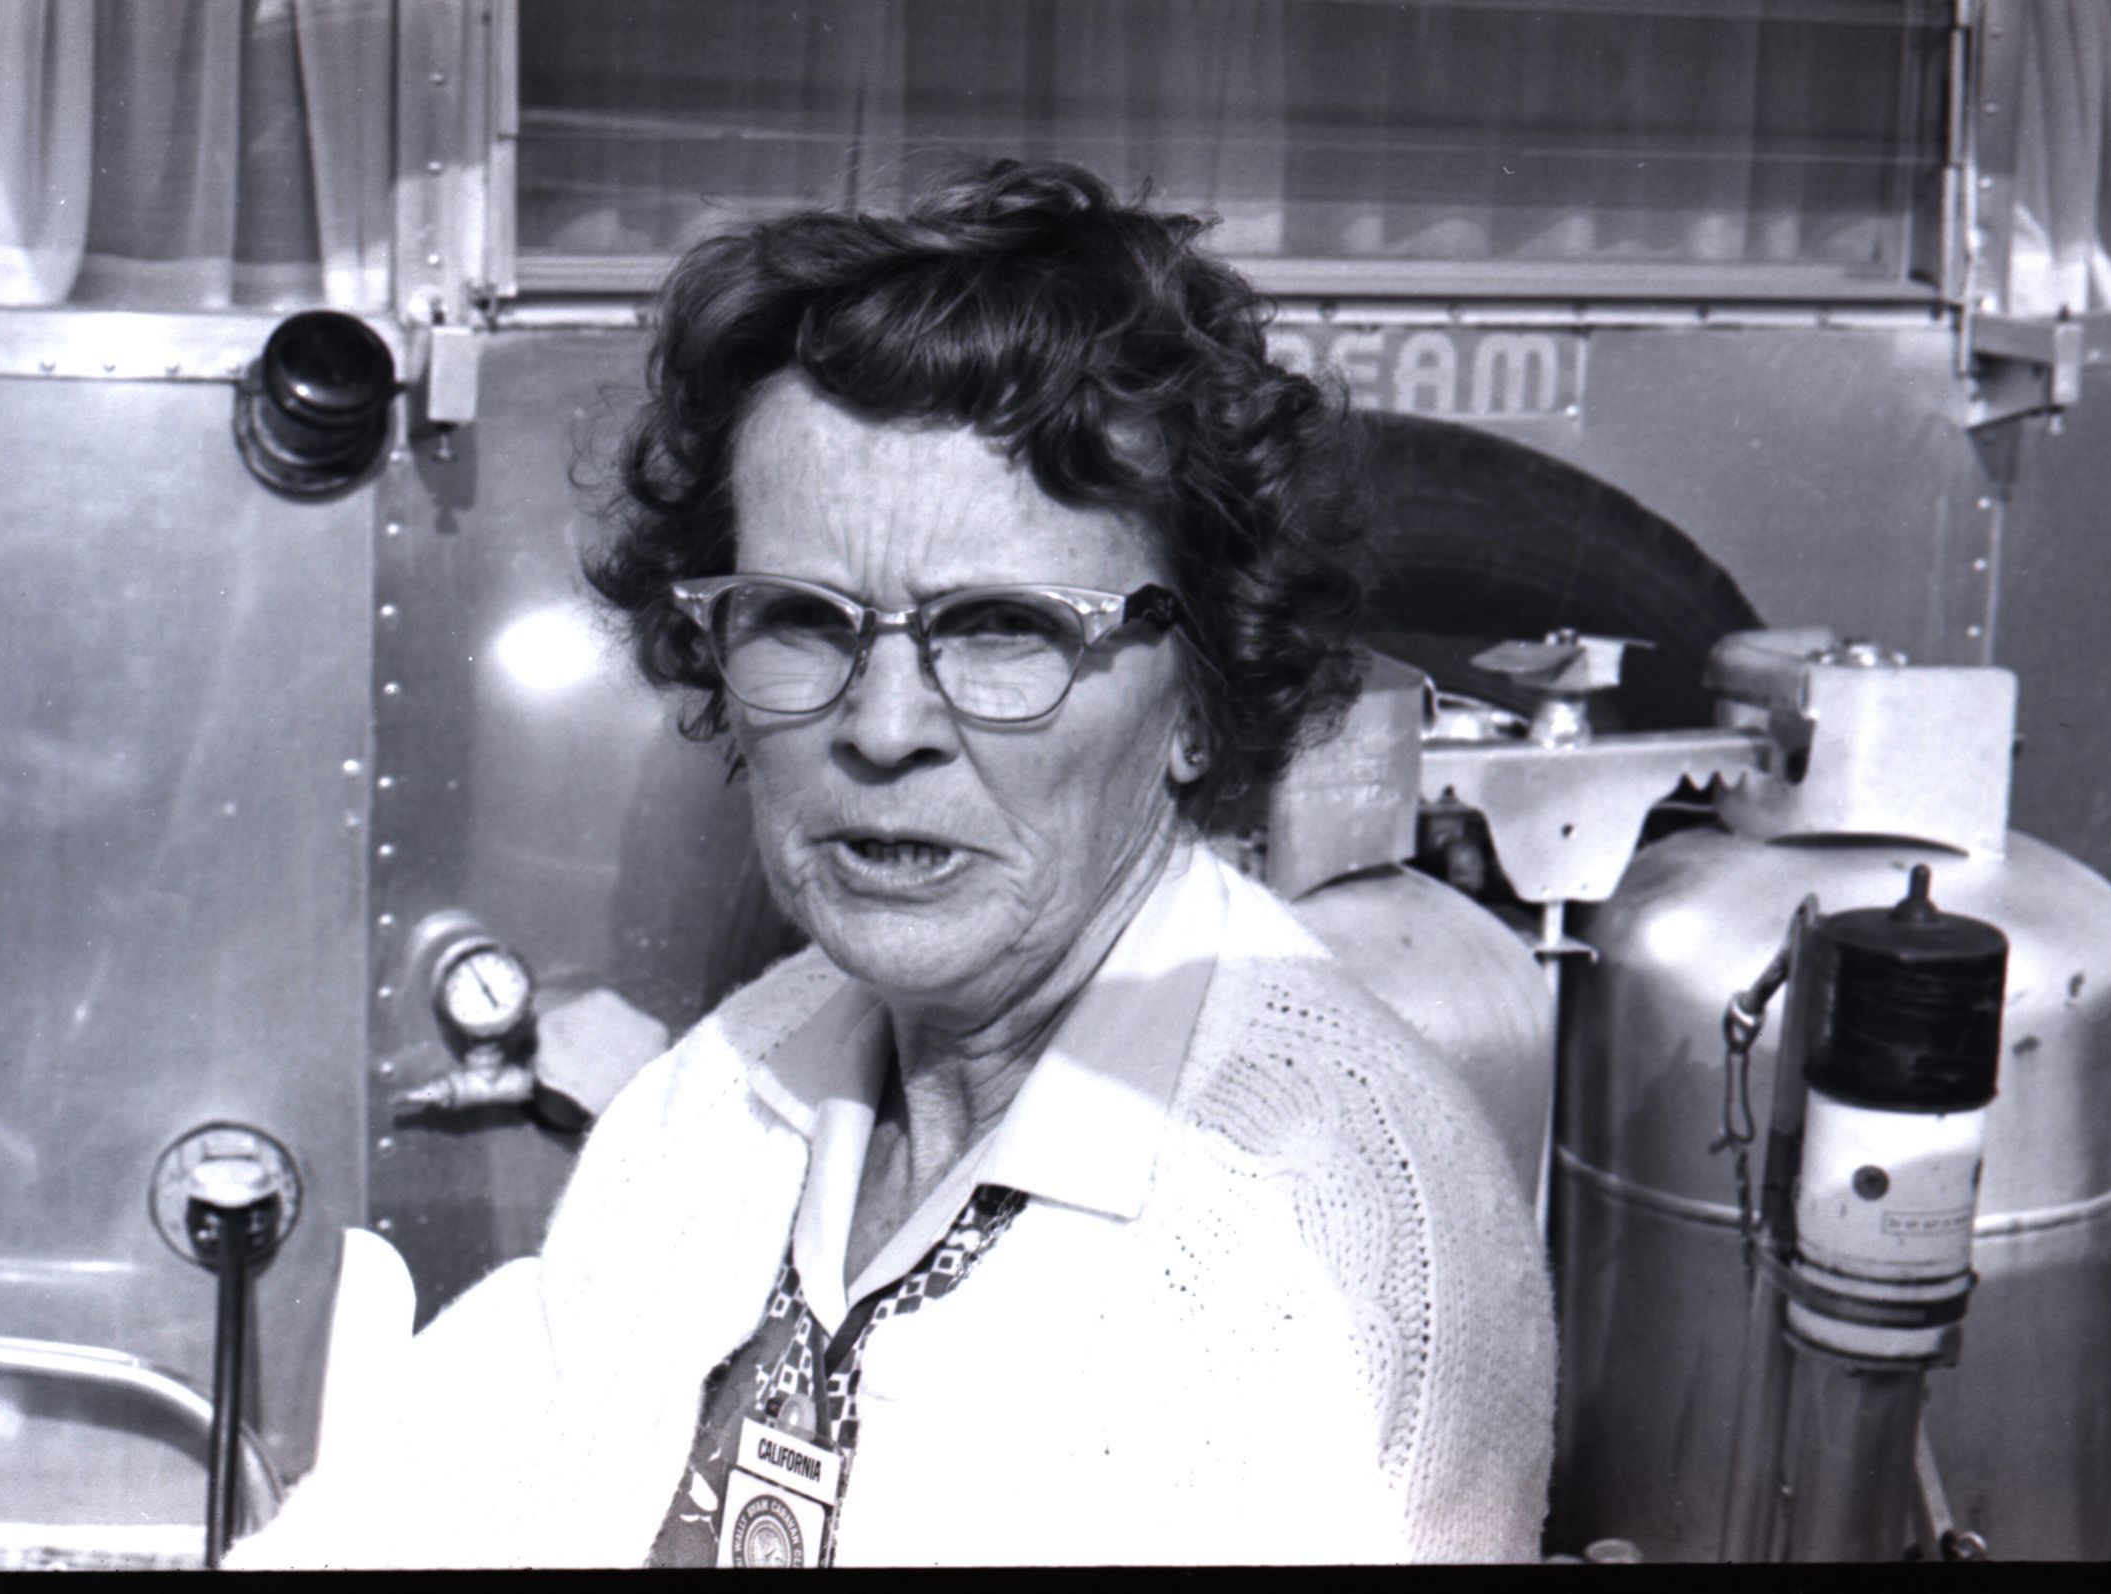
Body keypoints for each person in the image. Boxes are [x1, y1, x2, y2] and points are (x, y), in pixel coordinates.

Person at [233, 159, 1553, 1568]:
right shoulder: (741, 1076)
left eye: (1005, 627)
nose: (880, 727)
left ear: (1198, 695)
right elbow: (435, 1495)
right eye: (802, 617)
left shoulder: (1330, 1230)